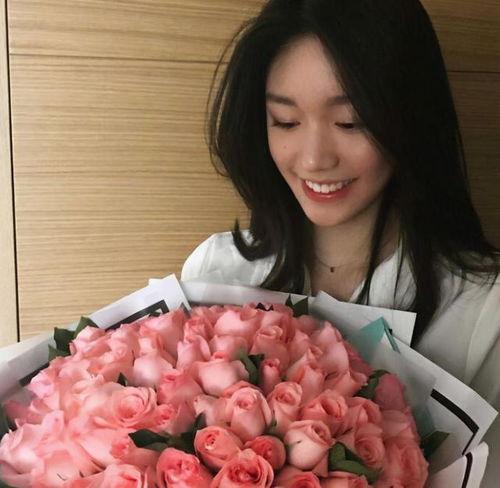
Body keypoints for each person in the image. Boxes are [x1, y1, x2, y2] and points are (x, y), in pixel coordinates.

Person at [182, 0, 499, 482]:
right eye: (285, 121)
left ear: (410, 119)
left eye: (351, 122)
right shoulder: (218, 271)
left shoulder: (484, 309)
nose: (313, 159)